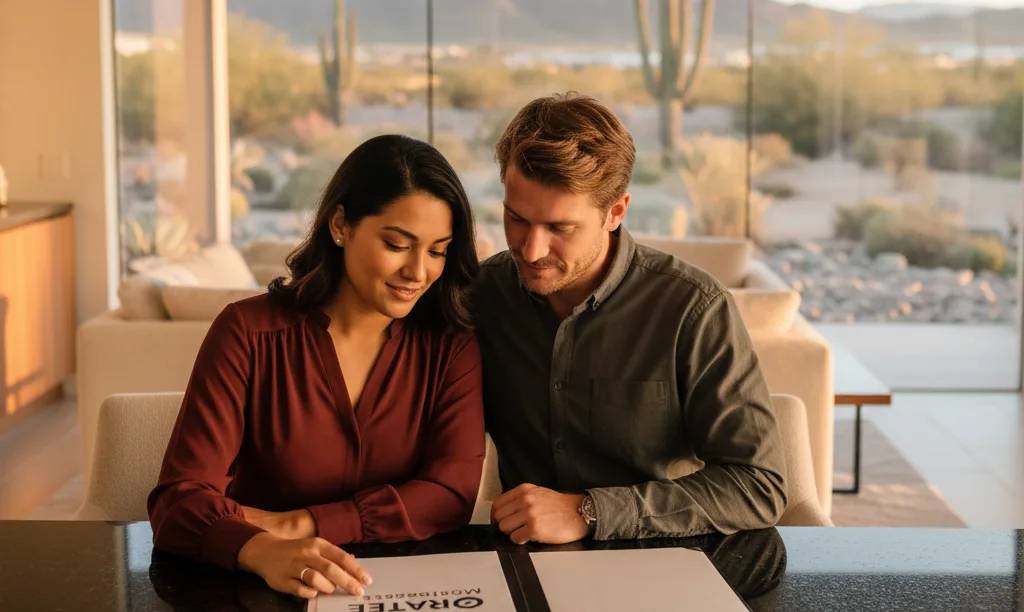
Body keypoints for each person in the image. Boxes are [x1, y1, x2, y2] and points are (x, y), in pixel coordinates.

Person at [148, 134, 486, 599]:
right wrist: (258, 550)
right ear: (341, 225)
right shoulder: (247, 333)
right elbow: (178, 502)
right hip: (261, 593)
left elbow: (450, 495)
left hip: (406, 592)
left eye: (437, 250)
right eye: (396, 243)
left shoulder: (451, 347)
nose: (418, 272)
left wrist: (299, 524)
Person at [475, 93, 788, 546]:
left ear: (615, 212)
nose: (531, 250)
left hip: (666, 561)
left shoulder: (692, 308)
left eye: (560, 228)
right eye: (516, 218)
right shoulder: (483, 296)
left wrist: (590, 511)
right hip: (526, 560)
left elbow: (759, 484)